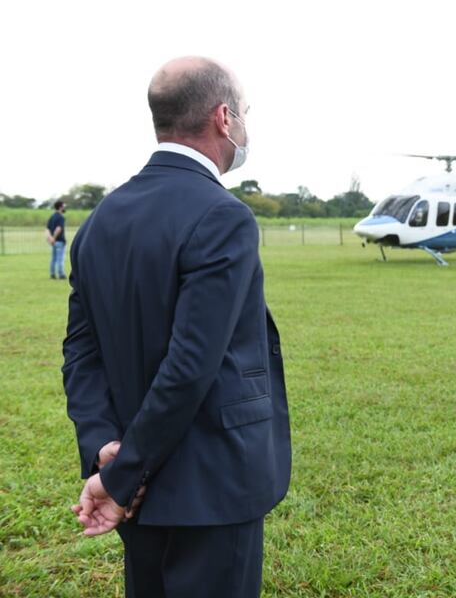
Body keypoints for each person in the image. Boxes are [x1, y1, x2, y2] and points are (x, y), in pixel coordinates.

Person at [62, 56, 291, 597]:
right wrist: (124, 473)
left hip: (133, 485)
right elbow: (191, 366)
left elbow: (80, 353)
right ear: (223, 117)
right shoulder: (223, 216)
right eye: (245, 112)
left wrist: (104, 447)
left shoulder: (99, 221)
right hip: (212, 486)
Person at [46, 200, 68, 279]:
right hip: (59, 241)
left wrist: (50, 238)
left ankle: (52, 274)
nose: (65, 207)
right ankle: (61, 274)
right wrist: (54, 238)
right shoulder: (61, 217)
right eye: (64, 206)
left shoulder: (52, 217)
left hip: (53, 242)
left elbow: (47, 229)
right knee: (60, 259)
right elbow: (58, 228)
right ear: (60, 207)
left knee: (53, 258)